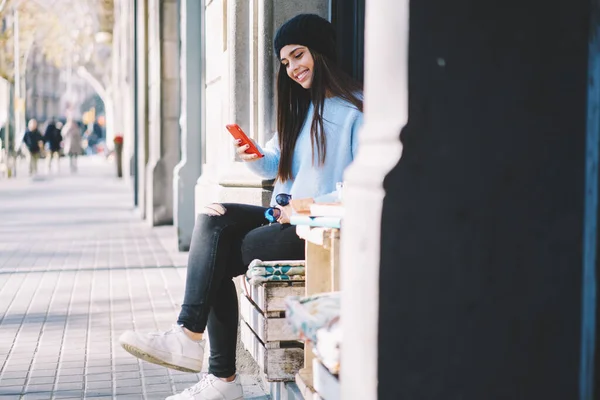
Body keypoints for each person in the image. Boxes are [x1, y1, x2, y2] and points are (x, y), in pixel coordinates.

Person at [118, 14, 363, 400]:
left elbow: (363, 186)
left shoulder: (355, 111)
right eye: (285, 62)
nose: (293, 68)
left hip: (316, 229)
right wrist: (253, 154)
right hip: (284, 218)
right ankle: (188, 337)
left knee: (232, 249)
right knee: (213, 220)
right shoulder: (300, 109)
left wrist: (311, 204)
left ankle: (218, 377)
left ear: (321, 51)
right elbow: (273, 162)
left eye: (298, 55)